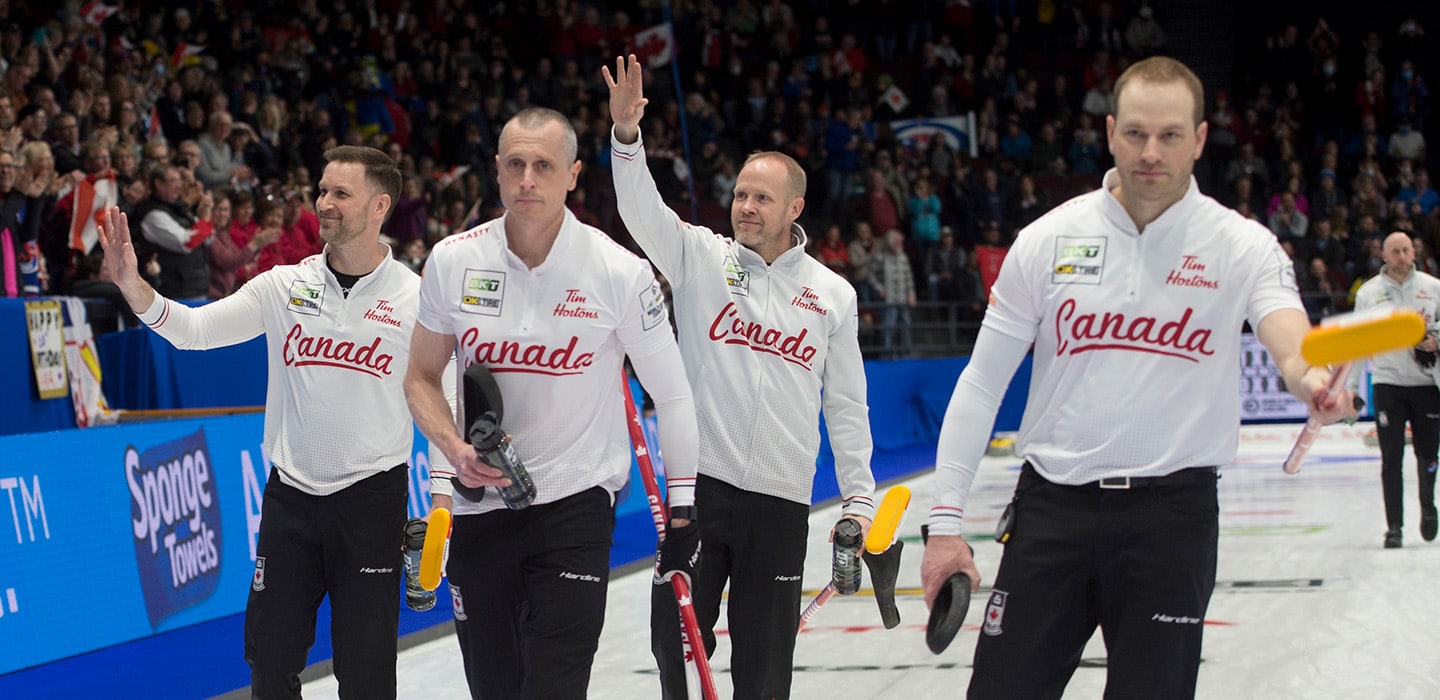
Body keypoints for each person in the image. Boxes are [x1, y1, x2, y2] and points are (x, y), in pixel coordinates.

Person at [917, 56, 1353, 698]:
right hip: (1052, 511)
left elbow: (1288, 337)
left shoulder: (1243, 245)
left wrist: (1310, 378)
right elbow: (982, 383)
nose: (1151, 152)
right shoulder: (1046, 239)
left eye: (1170, 135)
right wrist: (945, 524)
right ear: (1110, 131)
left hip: (1171, 520)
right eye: (1136, 133)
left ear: (1199, 139)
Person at [97, 146, 421, 698]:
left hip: (372, 502)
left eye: (341, 193)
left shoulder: (414, 296)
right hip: (291, 498)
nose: (324, 203)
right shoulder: (282, 285)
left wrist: (443, 496)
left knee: (366, 675)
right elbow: (194, 331)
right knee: (269, 662)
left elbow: (444, 397)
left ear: (379, 206)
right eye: (322, 190)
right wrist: (133, 287)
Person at [403, 106, 700, 699]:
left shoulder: (620, 272)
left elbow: (671, 393)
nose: (527, 180)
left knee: (555, 686)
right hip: (480, 507)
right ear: (496, 169)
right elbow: (421, 376)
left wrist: (684, 506)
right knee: (495, 688)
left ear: (573, 174)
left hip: (575, 503)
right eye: (515, 164)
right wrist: (455, 450)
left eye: (543, 165)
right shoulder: (454, 260)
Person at [605, 54, 877, 699]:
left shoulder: (833, 295)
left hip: (781, 503)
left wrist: (860, 500)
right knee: (675, 650)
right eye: (740, 195)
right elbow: (642, 211)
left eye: (761, 198)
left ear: (795, 208)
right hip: (699, 493)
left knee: (765, 673)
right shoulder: (700, 257)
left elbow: (846, 405)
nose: (746, 207)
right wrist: (626, 137)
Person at [1348, 232, 1440, 549]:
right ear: (1384, 256)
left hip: (1426, 384)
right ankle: (1394, 527)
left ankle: (1428, 506)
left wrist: (1436, 341)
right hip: (1387, 383)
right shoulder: (1369, 293)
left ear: (1414, 252)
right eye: (1395, 251)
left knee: (1428, 454)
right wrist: (1352, 388)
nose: (1402, 256)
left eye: (1406, 250)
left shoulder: (1433, 287)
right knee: (1391, 458)